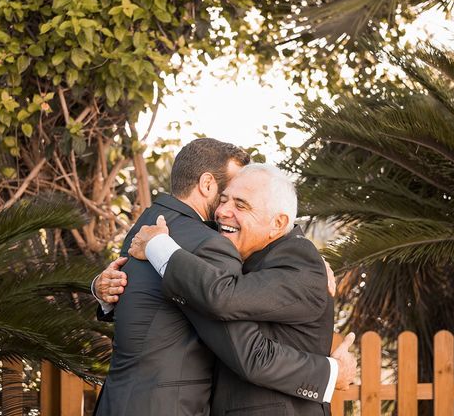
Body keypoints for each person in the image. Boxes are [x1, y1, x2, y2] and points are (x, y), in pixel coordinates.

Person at [91, 139, 356, 416]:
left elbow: (231, 315)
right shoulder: (199, 241)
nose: (222, 211)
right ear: (207, 184)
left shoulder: (154, 228)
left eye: (240, 204)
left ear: (278, 223)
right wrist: (102, 289)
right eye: (225, 197)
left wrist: (328, 374)